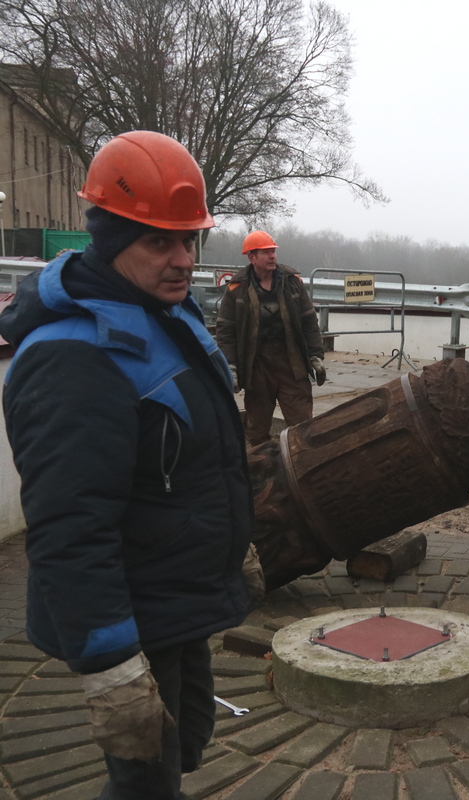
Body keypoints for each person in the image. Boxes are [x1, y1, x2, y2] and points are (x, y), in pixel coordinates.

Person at [0, 130, 260, 799]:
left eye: (189, 240)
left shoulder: (156, 316)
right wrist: (112, 666)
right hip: (132, 620)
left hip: (176, 604)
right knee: (144, 779)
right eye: (158, 242)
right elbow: (69, 528)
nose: (182, 260)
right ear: (111, 242)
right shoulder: (74, 358)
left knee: (182, 748)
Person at [216, 230, 325, 446]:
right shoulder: (236, 289)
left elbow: (309, 322)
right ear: (251, 257)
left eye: (273, 251)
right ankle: (261, 473)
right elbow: (226, 331)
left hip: (291, 364)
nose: (272, 256)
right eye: (265, 252)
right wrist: (231, 367)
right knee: (257, 431)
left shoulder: (293, 283)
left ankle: (303, 471)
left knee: (303, 426)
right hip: (257, 367)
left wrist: (315, 357)